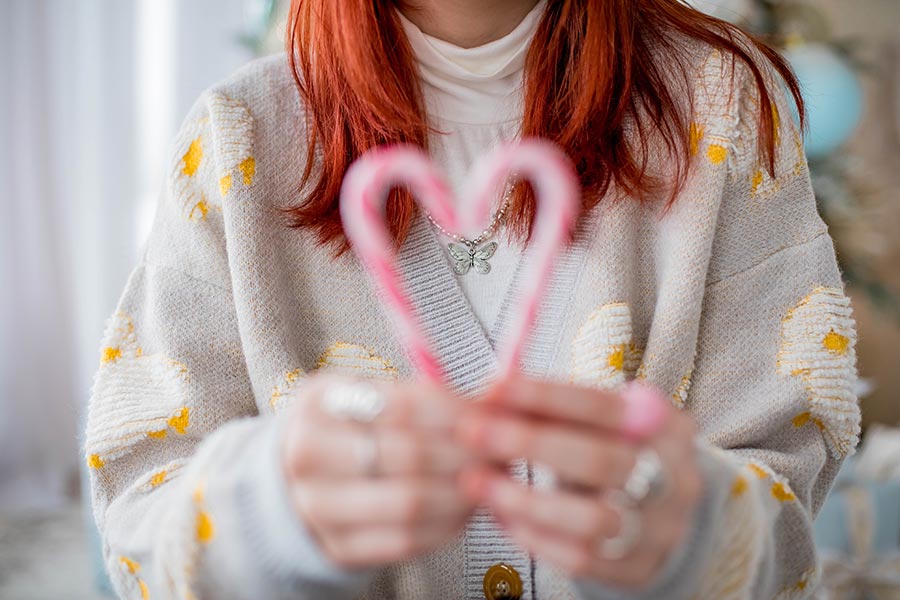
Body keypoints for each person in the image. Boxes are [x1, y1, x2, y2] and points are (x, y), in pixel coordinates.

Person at [85, 0, 860, 598]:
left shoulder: (724, 111)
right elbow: (140, 523)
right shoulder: (237, 140)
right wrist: (265, 518)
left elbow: (784, 509)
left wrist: (700, 536)